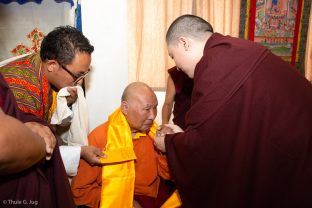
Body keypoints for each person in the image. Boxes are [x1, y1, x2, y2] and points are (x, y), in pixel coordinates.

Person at [154, 14, 312, 207]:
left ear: (184, 43)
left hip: (296, 150)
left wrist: (170, 143)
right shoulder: (240, 48)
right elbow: (225, 127)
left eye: (173, 56)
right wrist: (185, 135)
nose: (176, 66)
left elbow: (206, 146)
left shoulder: (213, 66)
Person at [0, 25, 104, 175]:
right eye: (77, 75)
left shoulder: (44, 72)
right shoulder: (21, 87)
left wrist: (66, 103)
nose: (80, 82)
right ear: (52, 66)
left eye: (84, 75)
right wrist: (80, 152)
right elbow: (27, 148)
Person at [71, 82, 175, 208]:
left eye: (155, 108)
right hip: (114, 198)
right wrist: (126, 203)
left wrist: (166, 149)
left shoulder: (153, 135)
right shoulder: (100, 138)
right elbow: (80, 192)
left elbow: (167, 175)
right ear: (125, 108)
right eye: (147, 109)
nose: (153, 116)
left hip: (152, 197)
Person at [0, 73, 76, 208]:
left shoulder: (51, 86)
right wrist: (44, 144)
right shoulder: (23, 84)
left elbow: (10, 114)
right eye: (77, 75)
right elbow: (4, 143)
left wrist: (26, 123)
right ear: (53, 65)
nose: (77, 83)